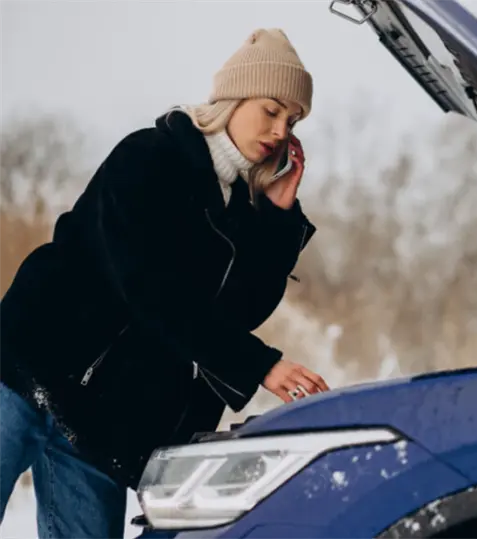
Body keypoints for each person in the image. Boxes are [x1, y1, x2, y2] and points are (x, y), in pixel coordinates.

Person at [0, 28, 329, 538]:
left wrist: (277, 218)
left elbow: (237, 313)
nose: (280, 130)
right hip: (26, 371)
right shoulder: (151, 157)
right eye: (271, 109)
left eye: (292, 120)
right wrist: (259, 364)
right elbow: (149, 288)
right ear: (233, 98)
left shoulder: (243, 211)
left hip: (101, 424)